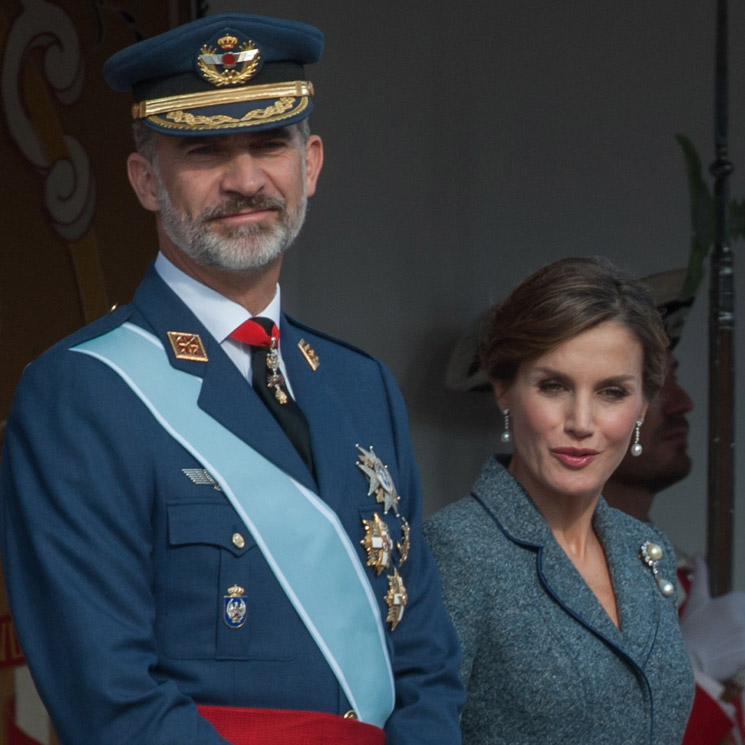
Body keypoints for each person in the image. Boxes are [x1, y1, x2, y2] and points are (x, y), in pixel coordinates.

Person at [0, 13, 464, 745]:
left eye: (268, 144)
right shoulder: (81, 393)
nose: (245, 179)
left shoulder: (360, 384)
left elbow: (426, 660)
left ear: (310, 163)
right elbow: (109, 697)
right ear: (146, 180)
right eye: (204, 149)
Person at [424, 256, 694, 744]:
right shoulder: (455, 552)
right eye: (554, 386)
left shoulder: (644, 549)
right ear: (503, 387)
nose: (582, 422)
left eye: (612, 392)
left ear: (642, 405)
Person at [604, 270, 745, 745]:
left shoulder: (682, 580)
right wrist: (696, 677)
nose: (683, 403)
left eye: (673, 378)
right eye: (651, 384)